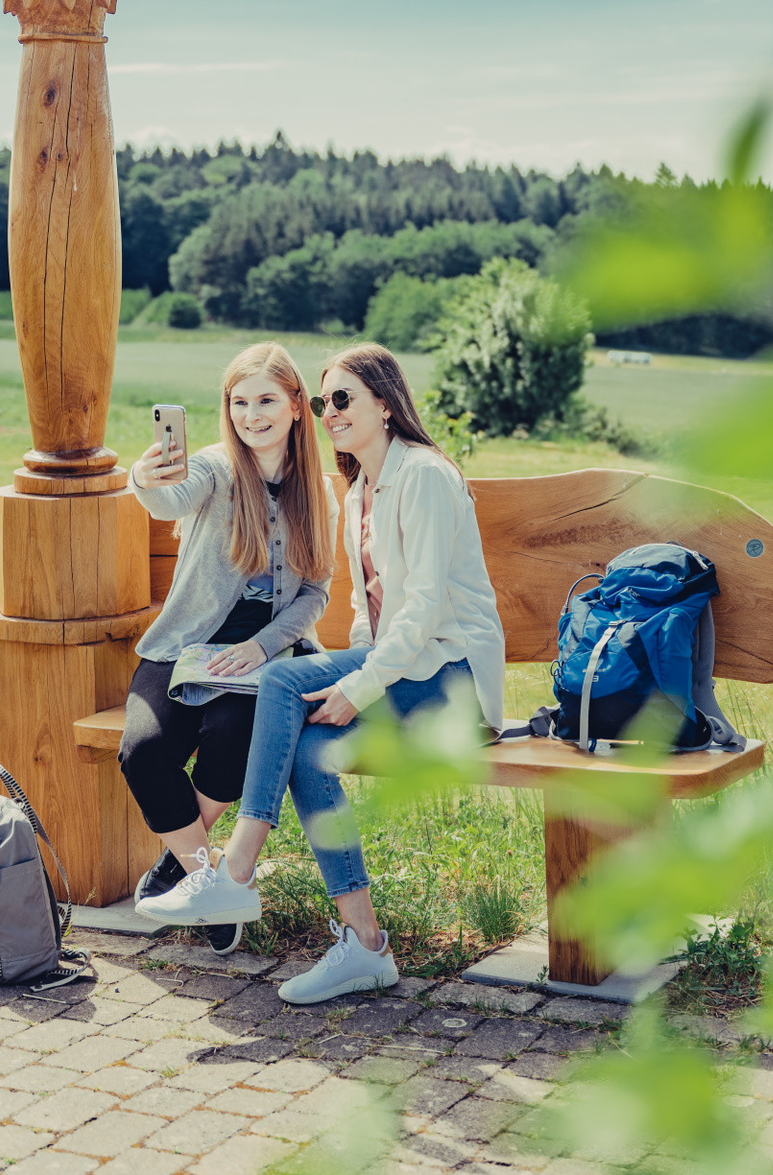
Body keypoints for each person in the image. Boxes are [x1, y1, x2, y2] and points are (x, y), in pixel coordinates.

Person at [139, 343, 506, 1001]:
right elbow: (370, 617)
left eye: (342, 398)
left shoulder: (423, 475)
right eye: (324, 399)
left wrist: (358, 685)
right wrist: (354, 673)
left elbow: (421, 610)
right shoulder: (361, 490)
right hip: (405, 671)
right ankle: (366, 945)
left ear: (385, 405)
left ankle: (236, 873)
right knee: (308, 753)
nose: (329, 411)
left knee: (283, 680)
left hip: (452, 679)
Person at [119, 341, 335, 954]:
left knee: (233, 735)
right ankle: (205, 876)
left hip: (265, 658)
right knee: (142, 751)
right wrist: (145, 477)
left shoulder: (318, 492)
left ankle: (181, 866)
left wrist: (263, 646)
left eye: (265, 400)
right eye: (239, 402)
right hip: (183, 647)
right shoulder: (214, 469)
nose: (251, 415)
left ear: (296, 406)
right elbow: (171, 496)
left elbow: (314, 592)